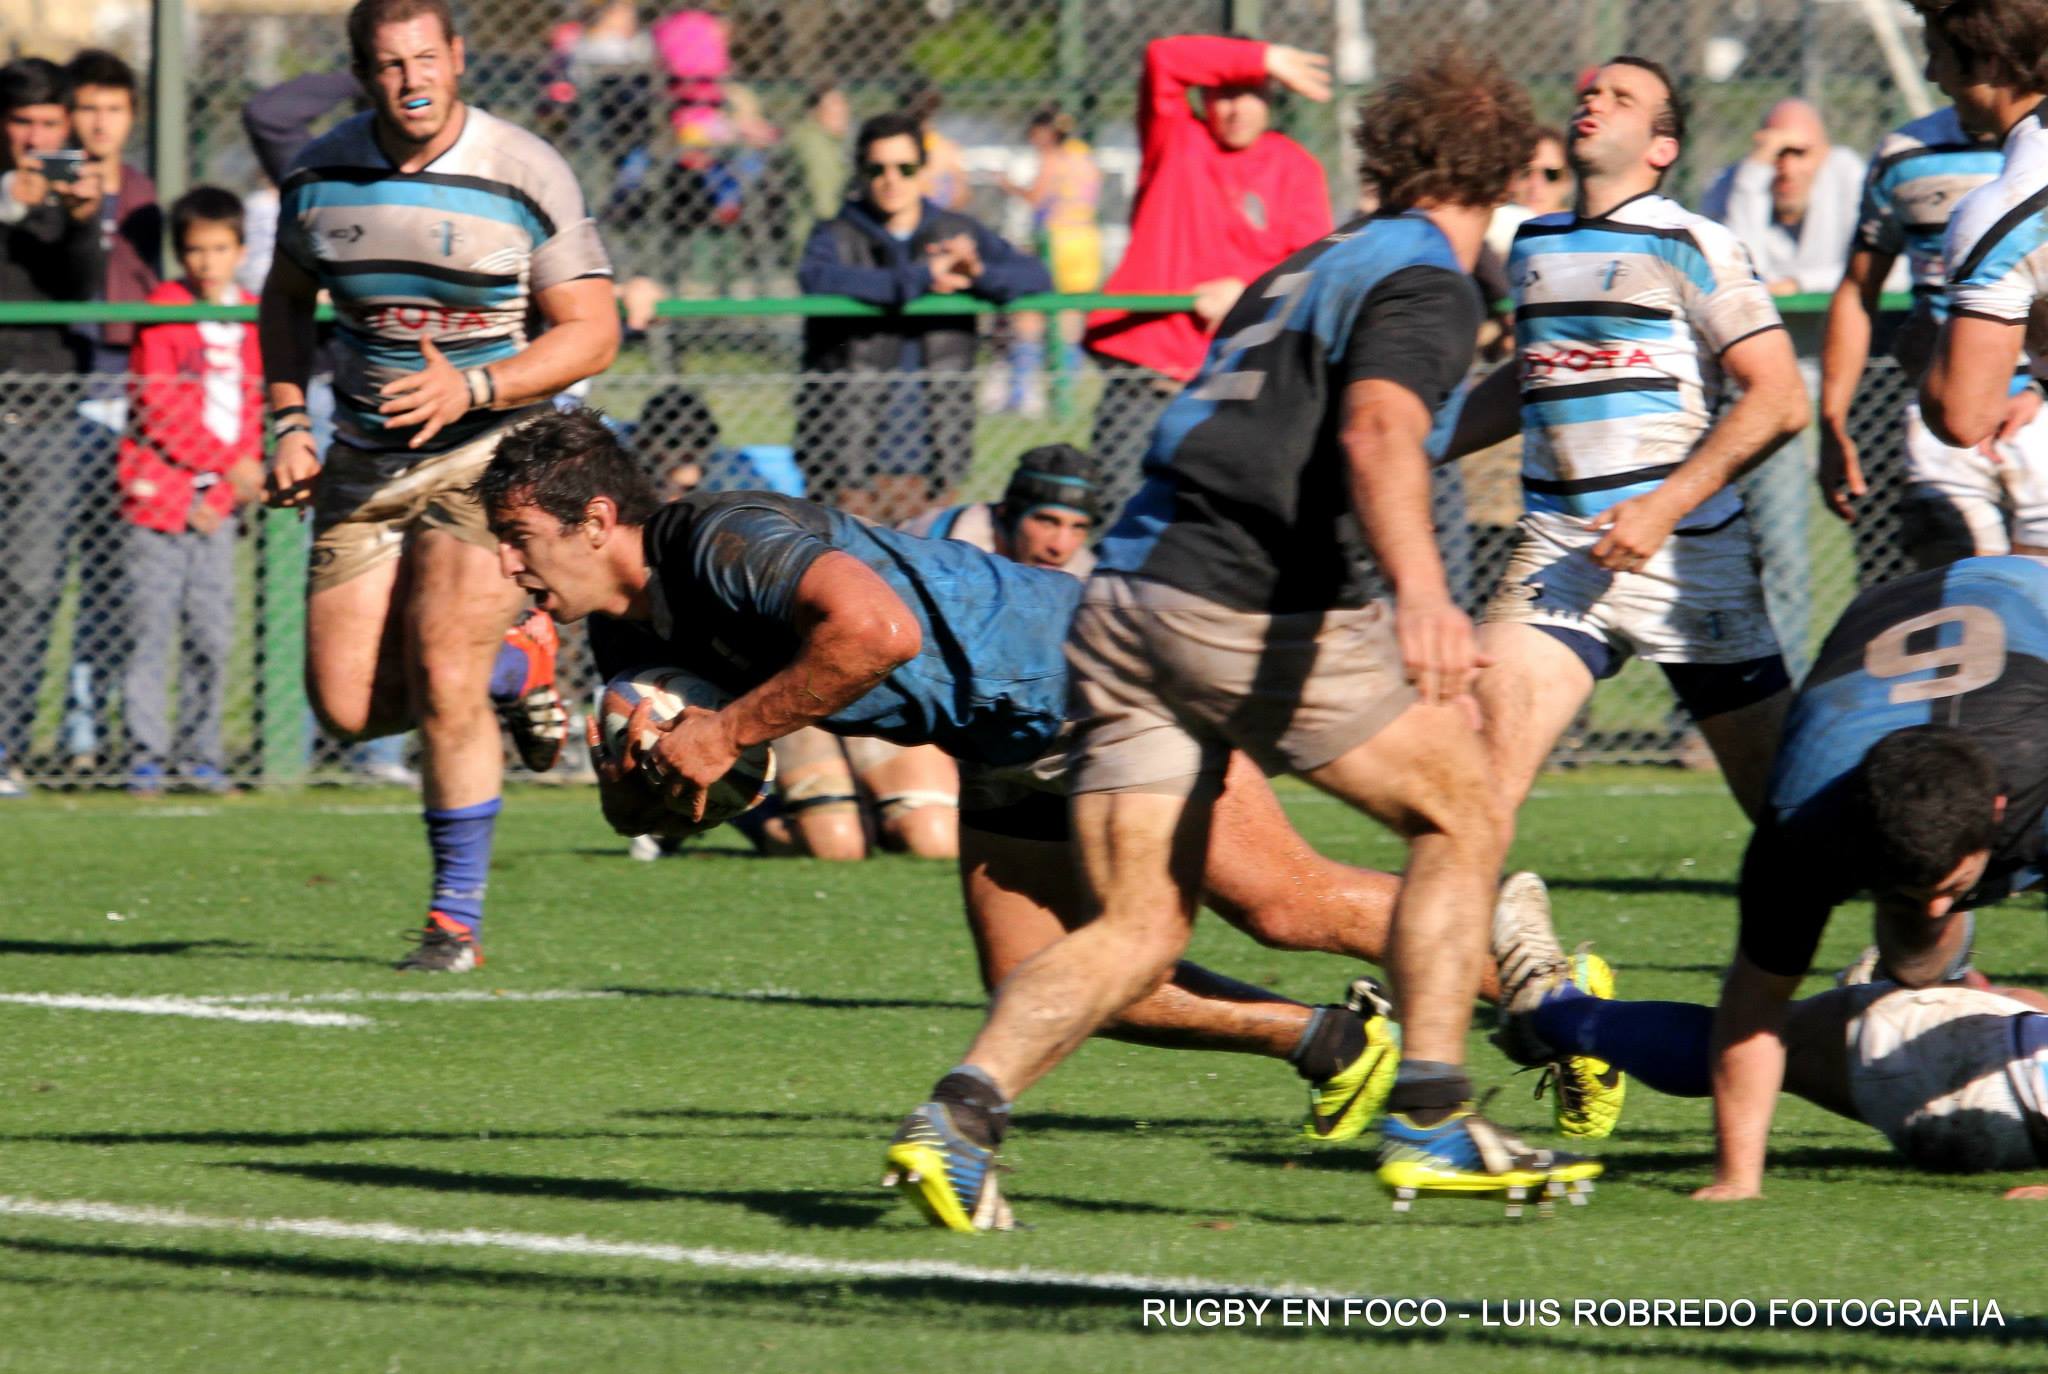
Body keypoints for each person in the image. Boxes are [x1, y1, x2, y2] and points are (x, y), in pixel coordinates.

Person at [479, 409, 1584, 1232]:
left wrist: (727, 735)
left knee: (1280, 904)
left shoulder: (718, 534)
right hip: (1001, 740)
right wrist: (634, 773)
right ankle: (1331, 1039)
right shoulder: (621, 639)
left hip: (1091, 676)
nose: (505, 562)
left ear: (599, 519)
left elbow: (874, 633)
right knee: (1050, 986)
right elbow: (674, 804)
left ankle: (1559, 1000)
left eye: (518, 533)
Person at [882, 49, 1606, 1234]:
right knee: (1462, 808)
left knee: (1140, 927)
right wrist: (1422, 592)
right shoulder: (1430, 282)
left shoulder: (1316, 260)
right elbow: (1377, 433)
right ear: (1504, 170)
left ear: (1387, 154)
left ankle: (957, 1121)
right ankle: (1429, 1112)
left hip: (1119, 607)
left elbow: (1346, 428)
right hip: (1239, 603)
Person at [260, 0, 619, 970]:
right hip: (367, 460)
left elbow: (592, 328)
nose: (412, 80)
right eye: (389, 64)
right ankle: (521, 665)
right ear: (361, 72)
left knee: (441, 658)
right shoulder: (321, 175)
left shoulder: (524, 169)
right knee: (344, 706)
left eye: (427, 58)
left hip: (496, 447)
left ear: (458, 59)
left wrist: (474, 384)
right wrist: (288, 420)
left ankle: (452, 924)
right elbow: (286, 299)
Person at [1439, 59, 1808, 859]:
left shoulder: (1692, 242)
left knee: (1799, 822)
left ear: (1662, 146)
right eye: (1588, 94)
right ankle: (1484, 978)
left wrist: (1662, 507)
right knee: (1469, 797)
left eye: (1620, 97)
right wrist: (1414, 444)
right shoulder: (1535, 242)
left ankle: (1930, 966)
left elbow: (1779, 398)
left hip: (1687, 560)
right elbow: (1529, 376)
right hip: (1560, 555)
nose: (1592, 103)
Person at [1701, 554, 2048, 1200]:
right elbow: (1754, 1001)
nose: (1943, 906)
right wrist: (1736, 1179)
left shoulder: (2038, 779)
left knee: (1923, 934)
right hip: (1889, 614)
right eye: (1926, 890)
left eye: (1955, 888)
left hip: (2035, 607)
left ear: (1999, 812)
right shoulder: (1806, 818)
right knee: (1912, 960)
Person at [1493, 871, 2048, 1188]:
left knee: (1770, 1038)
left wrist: (1738, 1179)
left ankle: (1548, 1012)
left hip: (2007, 1092)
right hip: (2020, 1078)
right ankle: (1877, 998)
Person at [1081, 34, 1334, 509]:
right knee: (1118, 511)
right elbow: (1163, 57)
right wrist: (1262, 58)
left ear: (1270, 100)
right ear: (1204, 96)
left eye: (1251, 94)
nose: (1236, 110)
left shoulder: (1295, 168)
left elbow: (1311, 269)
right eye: (1223, 94)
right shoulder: (1177, 141)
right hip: (1148, 378)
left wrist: (1245, 293)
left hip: (1239, 383)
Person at [1820, 97, 2045, 571]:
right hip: (1941, 415)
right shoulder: (1904, 154)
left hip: (2036, 417)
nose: (1930, 70)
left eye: (1939, 49)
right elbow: (1859, 289)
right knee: (1965, 611)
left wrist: (2040, 388)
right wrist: (1831, 417)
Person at [792, 110, 1049, 521]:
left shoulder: (954, 229)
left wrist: (975, 273)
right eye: (877, 168)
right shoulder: (835, 234)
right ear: (860, 170)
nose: (890, 179)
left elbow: (1035, 275)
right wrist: (922, 277)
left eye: (904, 167)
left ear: (923, 169)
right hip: (845, 458)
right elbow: (817, 277)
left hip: (933, 459)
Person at [1702, 99, 1867, 669]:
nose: (1785, 168)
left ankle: (1811, 685)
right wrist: (1751, 174)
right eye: (1774, 154)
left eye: (1799, 153)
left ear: (1823, 154)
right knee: (1748, 557)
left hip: (1843, 395)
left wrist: (1795, 284)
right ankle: (1753, 695)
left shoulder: (1848, 176)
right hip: (1757, 400)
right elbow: (1733, 267)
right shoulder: (1736, 186)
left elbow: (1867, 263)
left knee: (1829, 556)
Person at [118, 188, 265, 795]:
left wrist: (226, 491)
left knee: (212, 631)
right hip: (161, 497)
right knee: (149, 629)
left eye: (219, 249)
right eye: (194, 250)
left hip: (218, 506)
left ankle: (202, 753)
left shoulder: (254, 313)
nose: (206, 262)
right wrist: (224, 467)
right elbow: (159, 403)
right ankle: (144, 754)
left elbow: (254, 410)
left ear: (240, 250)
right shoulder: (165, 309)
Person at [0, 57, 104, 798]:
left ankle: (2, 744)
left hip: (46, 409)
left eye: (48, 126)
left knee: (33, 589)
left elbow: (80, 289)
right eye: (22, 124)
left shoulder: (74, 192)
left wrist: (78, 222)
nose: (36, 139)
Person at [61, 49, 160, 775]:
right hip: (51, 389)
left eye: (113, 109)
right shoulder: (41, 181)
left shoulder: (141, 194)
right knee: (32, 579)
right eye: (87, 108)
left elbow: (148, 295)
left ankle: (84, 734)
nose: (99, 123)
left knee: (107, 576)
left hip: (120, 396)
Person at [1916, 0, 2048, 455]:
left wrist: (1928, 357)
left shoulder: (2006, 214)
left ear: (1990, 61)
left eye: (1938, 54)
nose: (1932, 74)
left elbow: (1964, 417)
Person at [989, 106, 1103, 417]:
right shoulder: (1085, 158)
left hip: (1058, 242)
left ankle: (1025, 393)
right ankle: (1065, 391)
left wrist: (1008, 186)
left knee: (1029, 315)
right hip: (1086, 241)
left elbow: (1037, 197)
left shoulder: (1053, 158)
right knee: (1071, 319)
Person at [899, 441, 1099, 575]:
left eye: (1078, 527)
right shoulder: (947, 550)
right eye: (1047, 522)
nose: (1059, 547)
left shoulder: (1083, 570)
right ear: (1007, 513)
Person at [784, 82, 849, 254]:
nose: (842, 112)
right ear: (814, 111)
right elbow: (824, 202)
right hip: (817, 238)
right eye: (833, 106)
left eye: (843, 105)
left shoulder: (829, 141)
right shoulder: (813, 143)